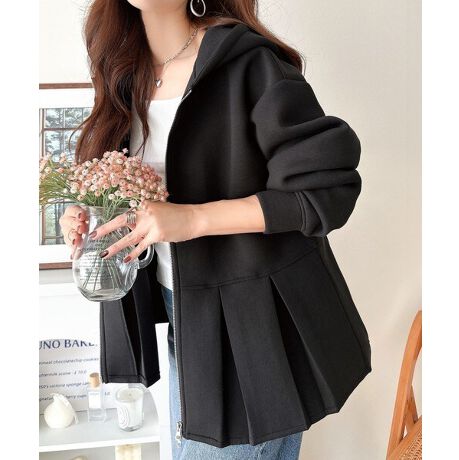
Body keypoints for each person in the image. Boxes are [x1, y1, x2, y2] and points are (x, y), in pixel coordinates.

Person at [59, 0, 372, 458]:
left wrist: (193, 218)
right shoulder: (124, 73)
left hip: (254, 327)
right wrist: (89, 213)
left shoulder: (249, 64)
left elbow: (324, 189)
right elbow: (138, 190)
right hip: (185, 314)